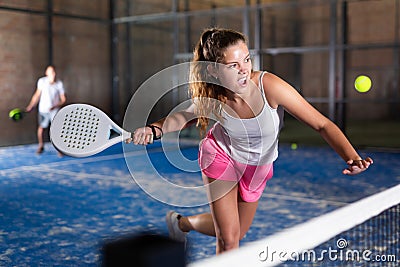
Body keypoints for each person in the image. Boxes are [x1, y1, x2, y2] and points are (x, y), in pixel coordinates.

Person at [127, 28, 373, 254]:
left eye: (246, 59)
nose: (243, 68)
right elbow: (184, 117)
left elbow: (322, 124)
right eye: (233, 65)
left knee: (239, 231)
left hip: (258, 167)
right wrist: (154, 129)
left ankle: (182, 224)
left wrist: (352, 157)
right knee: (229, 239)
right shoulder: (214, 96)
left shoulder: (270, 86)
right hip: (221, 156)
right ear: (213, 70)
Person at [26, 65, 66, 155]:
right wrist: (31, 105)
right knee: (41, 128)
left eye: (54, 72)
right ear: (47, 73)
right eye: (51, 72)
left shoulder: (59, 84)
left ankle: (59, 149)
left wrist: (55, 106)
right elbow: (37, 95)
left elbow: (63, 100)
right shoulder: (42, 81)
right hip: (43, 110)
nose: (53, 74)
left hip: (54, 111)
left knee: (56, 130)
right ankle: (41, 146)